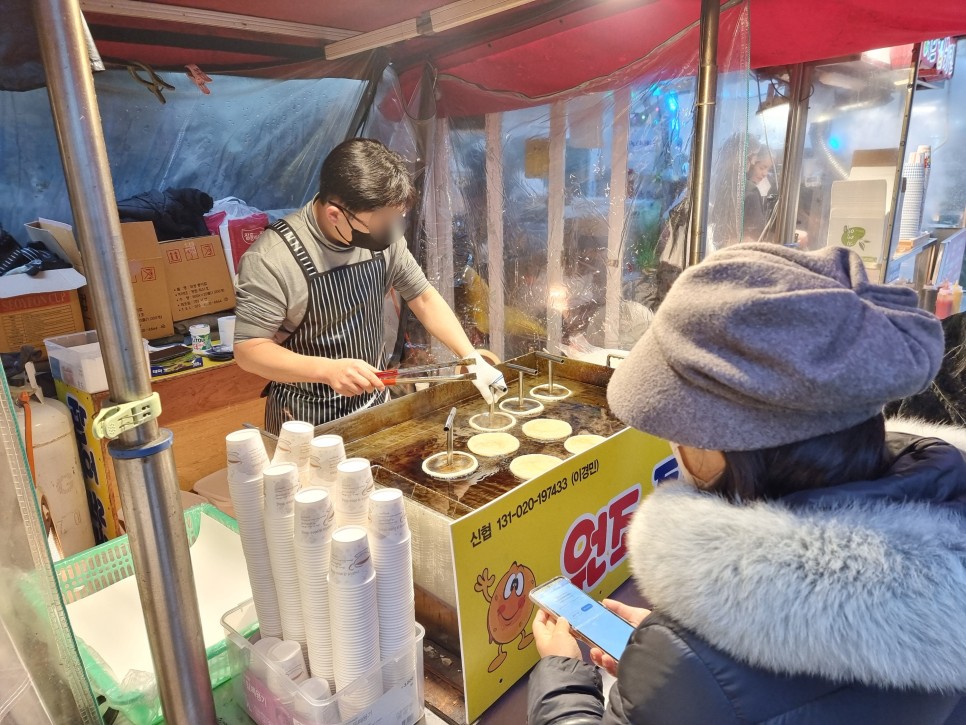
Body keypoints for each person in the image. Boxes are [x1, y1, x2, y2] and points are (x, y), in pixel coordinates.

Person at [527, 243, 966, 724]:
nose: (675, 447)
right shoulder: (948, 535)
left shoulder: (690, 665)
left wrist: (564, 672)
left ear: (724, 452)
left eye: (679, 430)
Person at [233, 138, 505, 433]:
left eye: (395, 219)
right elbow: (249, 350)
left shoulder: (381, 238)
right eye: (380, 222)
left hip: (374, 405)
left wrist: (471, 357)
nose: (389, 230)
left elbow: (423, 297)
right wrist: (327, 370)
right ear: (334, 214)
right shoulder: (272, 259)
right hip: (304, 417)